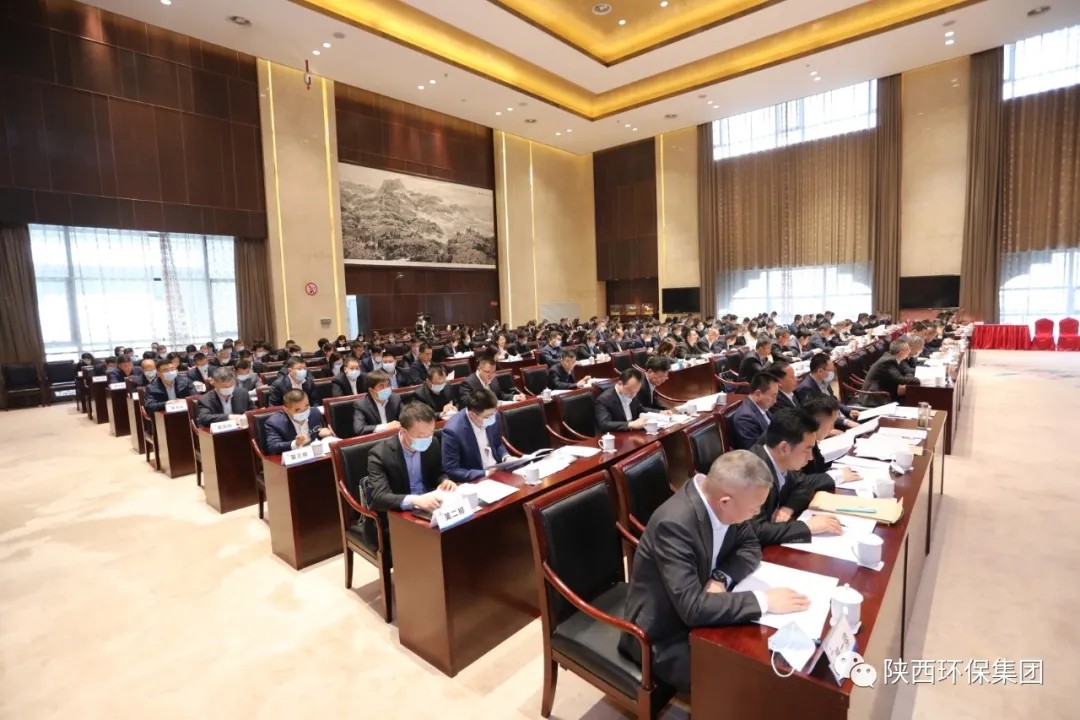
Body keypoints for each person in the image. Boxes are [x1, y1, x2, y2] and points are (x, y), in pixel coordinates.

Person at [618, 451, 811, 694]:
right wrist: (764, 601)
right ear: (725, 502)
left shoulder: (725, 501)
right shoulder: (675, 525)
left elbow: (751, 546)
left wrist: (721, 578)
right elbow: (692, 608)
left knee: (766, 661)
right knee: (743, 681)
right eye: (754, 509)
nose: (756, 514)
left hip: (702, 605)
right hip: (662, 634)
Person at [747, 408, 842, 546]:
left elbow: (804, 484)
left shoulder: (783, 460)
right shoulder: (751, 473)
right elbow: (755, 531)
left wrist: (788, 508)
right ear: (784, 448)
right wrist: (807, 527)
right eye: (807, 449)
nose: (810, 457)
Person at [366, 402, 455, 512]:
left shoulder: (433, 443)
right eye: (421, 436)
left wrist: (444, 481)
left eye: (430, 433)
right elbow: (380, 497)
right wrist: (414, 500)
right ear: (404, 432)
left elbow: (438, 473)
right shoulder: (380, 454)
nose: (427, 439)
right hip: (399, 511)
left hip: (430, 503)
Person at [441, 388, 512, 482]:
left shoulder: (494, 415)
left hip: (499, 471)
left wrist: (506, 457)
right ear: (472, 415)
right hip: (476, 479)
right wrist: (485, 473)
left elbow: (497, 444)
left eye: (494, 413)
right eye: (487, 416)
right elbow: (452, 470)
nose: (492, 418)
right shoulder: (452, 431)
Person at [795, 354, 859, 430]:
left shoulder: (824, 380)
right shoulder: (806, 388)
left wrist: (848, 411)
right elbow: (819, 417)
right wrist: (845, 422)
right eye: (831, 370)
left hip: (842, 417)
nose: (833, 372)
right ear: (820, 371)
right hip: (831, 426)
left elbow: (834, 401)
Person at [264, 389, 333, 454]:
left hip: (316, 454)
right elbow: (273, 447)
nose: (304, 412)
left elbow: (318, 433)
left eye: (307, 406)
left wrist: (323, 432)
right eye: (297, 410)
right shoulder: (275, 422)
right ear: (286, 410)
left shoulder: (314, 413)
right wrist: (295, 443)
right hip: (295, 457)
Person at [859, 338, 921, 406]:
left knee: (906, 395)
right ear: (901, 353)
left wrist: (910, 376)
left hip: (883, 390)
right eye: (908, 349)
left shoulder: (890, 357)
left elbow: (903, 374)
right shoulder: (888, 362)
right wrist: (917, 379)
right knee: (907, 398)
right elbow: (901, 379)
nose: (910, 351)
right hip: (873, 397)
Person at [728, 373, 778, 451]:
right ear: (758, 394)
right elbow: (754, 451)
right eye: (773, 396)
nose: (775, 401)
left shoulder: (762, 407)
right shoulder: (745, 418)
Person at [458, 355, 525, 407]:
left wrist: (515, 397)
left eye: (493, 372)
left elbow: (498, 395)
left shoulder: (493, 378)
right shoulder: (468, 383)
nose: (491, 375)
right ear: (479, 369)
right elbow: (467, 403)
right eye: (487, 372)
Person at [352, 369, 403, 436]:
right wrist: (386, 427)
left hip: (394, 437)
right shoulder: (361, 404)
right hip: (375, 440)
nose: (386, 389)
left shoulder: (395, 399)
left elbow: (407, 419)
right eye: (381, 386)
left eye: (388, 385)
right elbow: (359, 429)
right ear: (371, 390)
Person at [595, 368, 647, 432]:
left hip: (633, 432)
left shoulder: (633, 392)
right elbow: (604, 424)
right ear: (620, 384)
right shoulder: (604, 400)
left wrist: (658, 413)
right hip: (617, 434)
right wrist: (629, 424)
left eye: (636, 391)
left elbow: (640, 409)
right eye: (630, 391)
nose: (633, 395)